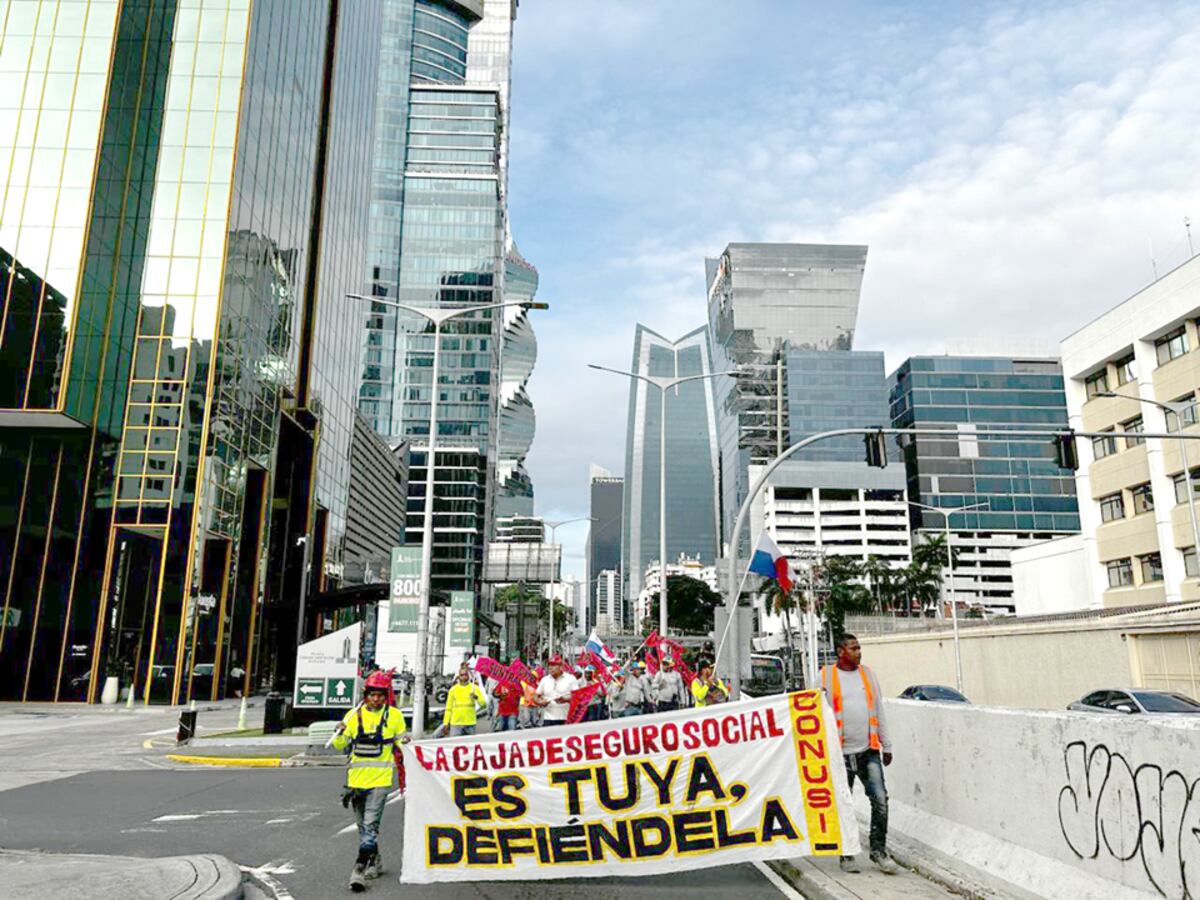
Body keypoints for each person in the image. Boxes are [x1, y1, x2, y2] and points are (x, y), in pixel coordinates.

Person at [820, 633, 897, 876]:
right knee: (844, 805)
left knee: (881, 800)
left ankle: (878, 851)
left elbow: (879, 709)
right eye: (853, 648)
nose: (859, 652)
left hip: (868, 750)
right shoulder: (825, 677)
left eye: (859, 648)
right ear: (840, 651)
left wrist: (887, 744)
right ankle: (847, 854)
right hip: (839, 754)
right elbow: (813, 714)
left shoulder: (868, 675)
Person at [332, 670, 407, 892]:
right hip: (355, 784)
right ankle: (375, 861)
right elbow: (338, 746)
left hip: (381, 781)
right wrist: (340, 732)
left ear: (386, 696)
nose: (376, 699)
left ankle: (358, 871)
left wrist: (407, 742)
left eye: (380, 695)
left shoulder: (394, 716)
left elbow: (402, 743)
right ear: (366, 695)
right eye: (372, 694)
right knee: (364, 827)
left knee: (371, 825)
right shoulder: (352, 716)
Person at [442, 665, 488, 737]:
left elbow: (484, 704)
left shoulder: (474, 688)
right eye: (461, 675)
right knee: (455, 745)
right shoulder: (453, 690)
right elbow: (448, 708)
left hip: (470, 723)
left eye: (465, 674)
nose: (463, 676)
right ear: (458, 676)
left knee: (469, 746)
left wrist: (476, 697)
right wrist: (446, 723)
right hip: (456, 723)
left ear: (468, 676)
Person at [535, 655, 579, 727]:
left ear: (561, 666)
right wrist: (540, 702)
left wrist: (565, 699)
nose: (550, 667)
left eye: (554, 665)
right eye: (549, 665)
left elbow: (578, 696)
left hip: (566, 718)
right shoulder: (544, 680)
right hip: (548, 718)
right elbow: (536, 695)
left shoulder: (571, 679)